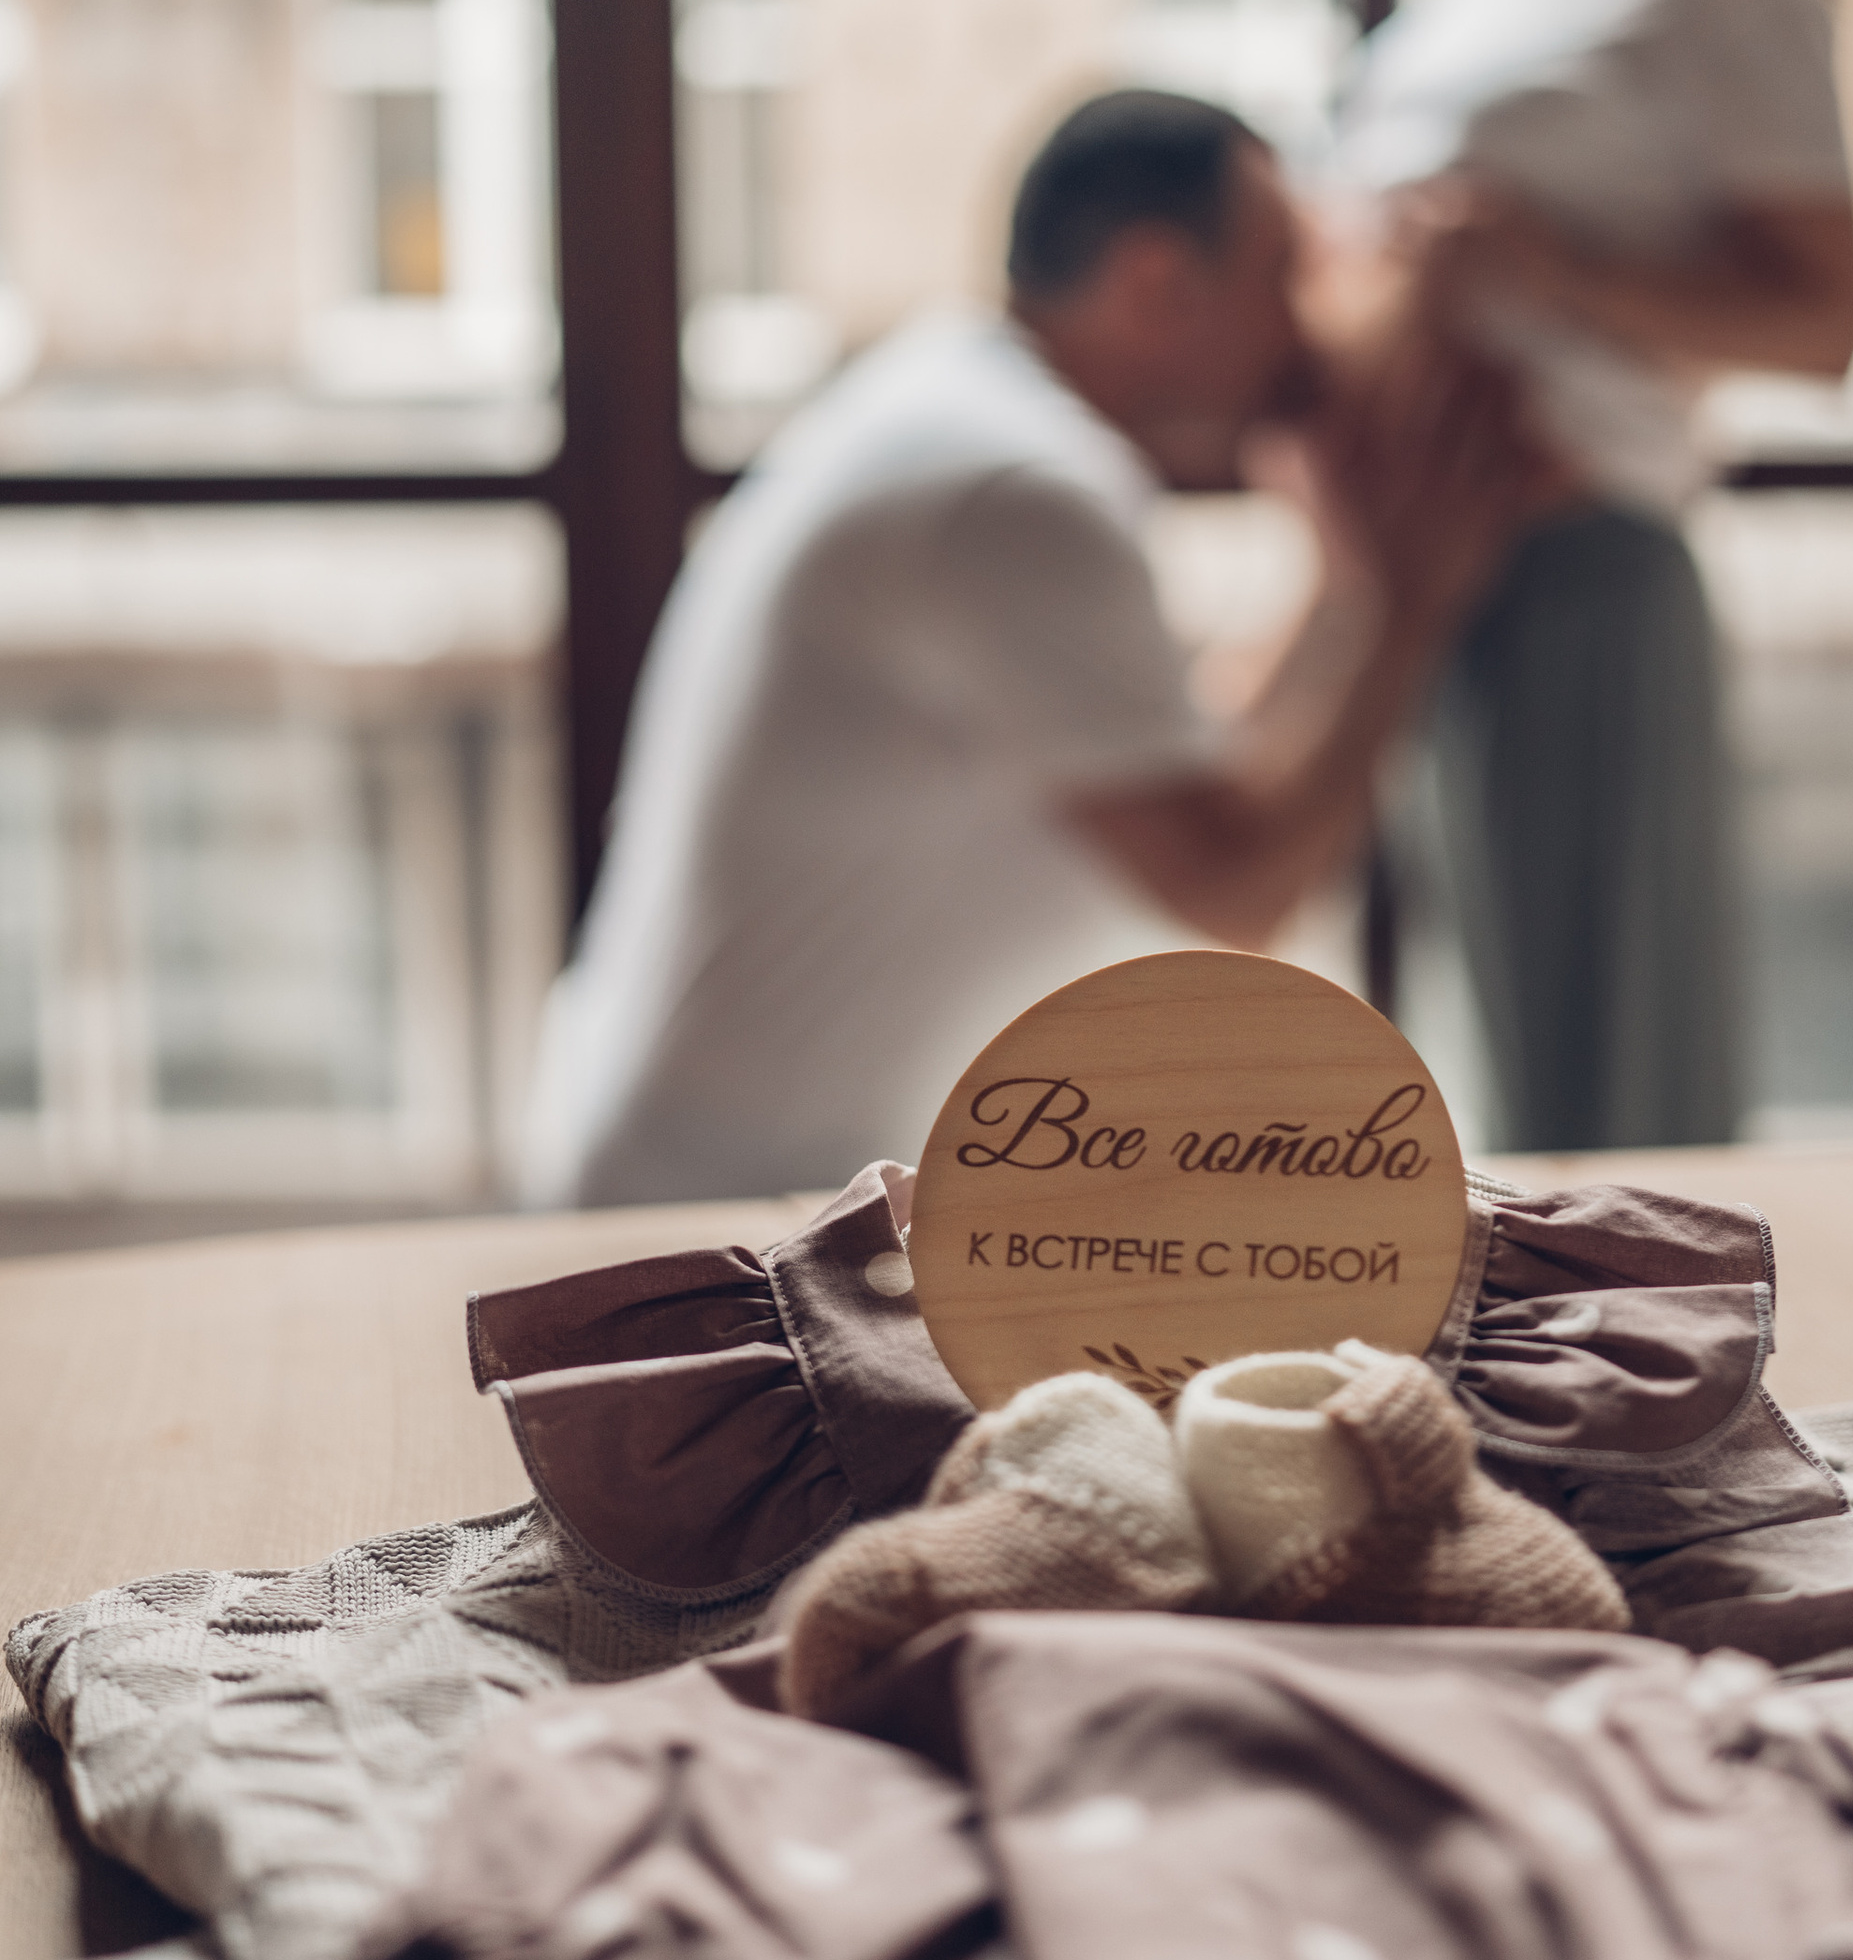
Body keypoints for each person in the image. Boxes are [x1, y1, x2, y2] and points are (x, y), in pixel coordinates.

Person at [519, 86, 1537, 1205]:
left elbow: (1195, 762)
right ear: (1158, 281)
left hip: (710, 1165)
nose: (1309, 327)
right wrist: (1411, 607)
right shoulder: (1018, 496)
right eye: (1284, 272)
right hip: (729, 1217)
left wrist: (1351, 582)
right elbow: (1238, 891)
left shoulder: (956, 405)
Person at [1335, 0, 1853, 1153]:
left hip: (1581, 565)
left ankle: (1648, 1401)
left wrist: (1540, 263)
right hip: (1446, 560)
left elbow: (1821, 321)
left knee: (1601, 1087)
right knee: (1488, 1074)